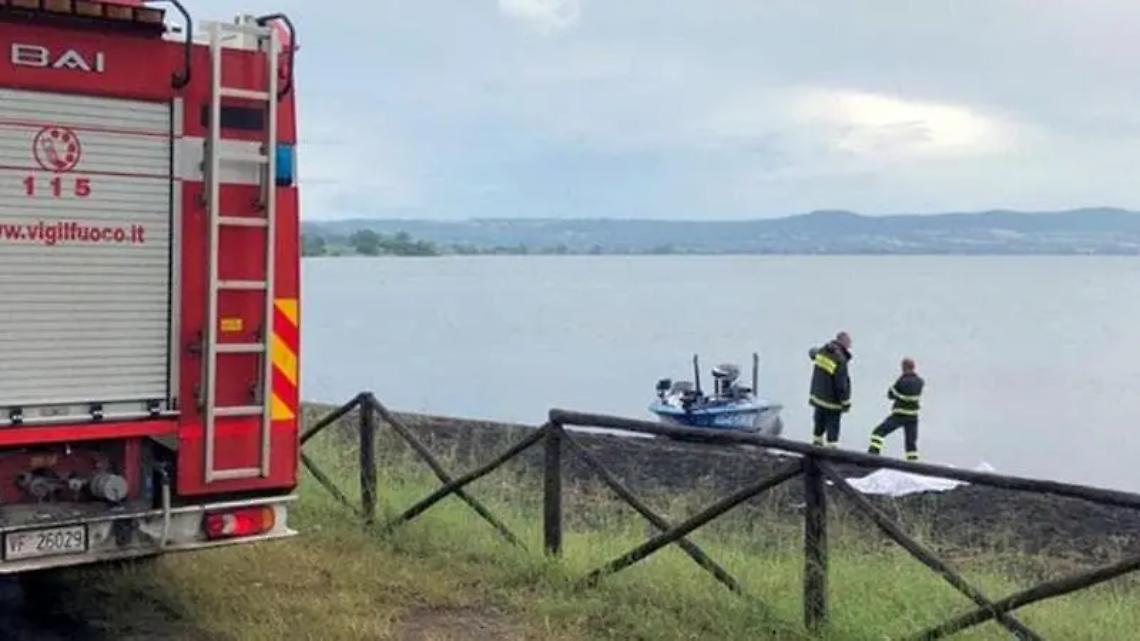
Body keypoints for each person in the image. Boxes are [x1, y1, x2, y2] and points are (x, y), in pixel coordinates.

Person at [868, 357, 924, 461]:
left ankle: (872, 456)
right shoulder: (920, 382)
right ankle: (913, 464)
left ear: (904, 368)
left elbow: (890, 394)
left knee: (878, 432)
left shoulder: (902, 381)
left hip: (899, 415)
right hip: (913, 417)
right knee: (910, 443)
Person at [808, 332, 853, 447]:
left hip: (818, 397)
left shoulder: (823, 350)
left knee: (819, 423)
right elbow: (841, 385)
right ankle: (831, 452)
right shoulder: (840, 360)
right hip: (832, 402)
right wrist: (846, 402)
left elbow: (812, 353)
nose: (850, 346)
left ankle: (816, 445)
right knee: (833, 427)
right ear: (843, 342)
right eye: (849, 343)